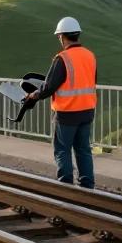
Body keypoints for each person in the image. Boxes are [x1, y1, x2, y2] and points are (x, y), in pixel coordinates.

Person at [25, 17, 97, 188]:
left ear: (62, 36)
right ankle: (88, 186)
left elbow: (49, 86)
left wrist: (35, 95)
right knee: (83, 149)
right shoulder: (90, 56)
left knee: (63, 149)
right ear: (77, 35)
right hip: (87, 111)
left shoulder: (62, 58)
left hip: (67, 113)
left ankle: (65, 186)